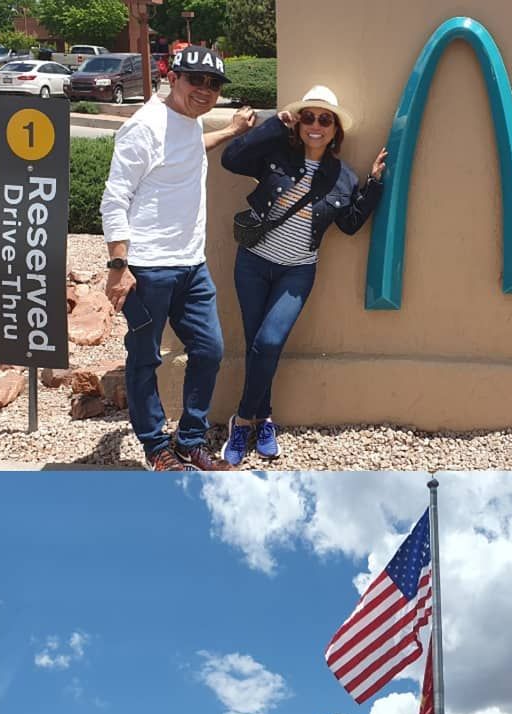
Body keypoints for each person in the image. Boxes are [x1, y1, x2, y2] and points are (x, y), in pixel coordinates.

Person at [100, 45, 256, 471]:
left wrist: (231, 133)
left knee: (209, 350)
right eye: (196, 80)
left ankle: (189, 442)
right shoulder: (143, 127)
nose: (205, 90)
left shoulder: (188, 120)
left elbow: (185, 152)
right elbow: (115, 199)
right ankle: (156, 449)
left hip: (192, 265)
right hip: (148, 269)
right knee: (146, 358)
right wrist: (118, 266)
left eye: (213, 83)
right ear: (174, 78)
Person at [217, 85, 388, 466]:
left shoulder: (342, 178)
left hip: (297, 271)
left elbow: (349, 225)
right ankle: (265, 419)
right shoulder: (277, 154)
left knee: (270, 341)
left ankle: (243, 419)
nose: (315, 125)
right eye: (308, 117)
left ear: (335, 130)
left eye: (324, 119)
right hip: (253, 264)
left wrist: (375, 184)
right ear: (298, 123)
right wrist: (272, 127)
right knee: (256, 345)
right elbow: (232, 159)